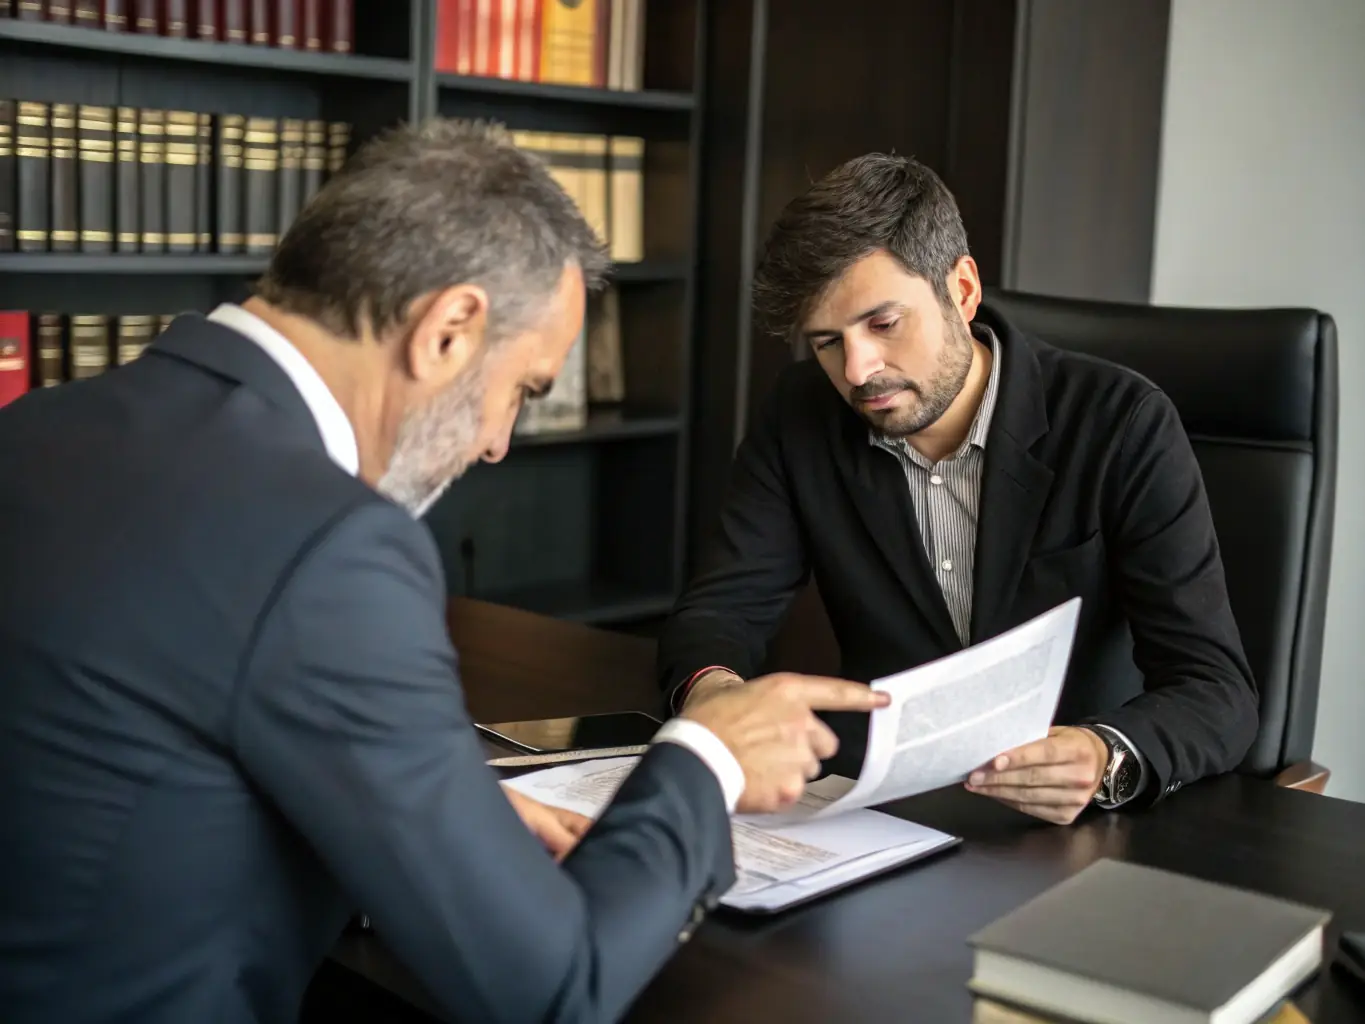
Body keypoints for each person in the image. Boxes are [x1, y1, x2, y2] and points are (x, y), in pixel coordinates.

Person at [0, 120, 888, 1024]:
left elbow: (132, 768)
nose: (500, 443)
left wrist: (411, 836)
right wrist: (705, 760)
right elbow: (552, 988)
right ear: (450, 330)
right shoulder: (330, 545)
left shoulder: (34, 430)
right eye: (523, 390)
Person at [659, 153, 1259, 825]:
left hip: (1073, 830)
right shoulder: (800, 416)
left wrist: (1105, 756)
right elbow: (721, 610)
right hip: (881, 813)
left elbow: (1215, 690)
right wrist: (712, 695)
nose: (858, 371)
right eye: (827, 342)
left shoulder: (1122, 422)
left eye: (883, 324)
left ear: (963, 290)